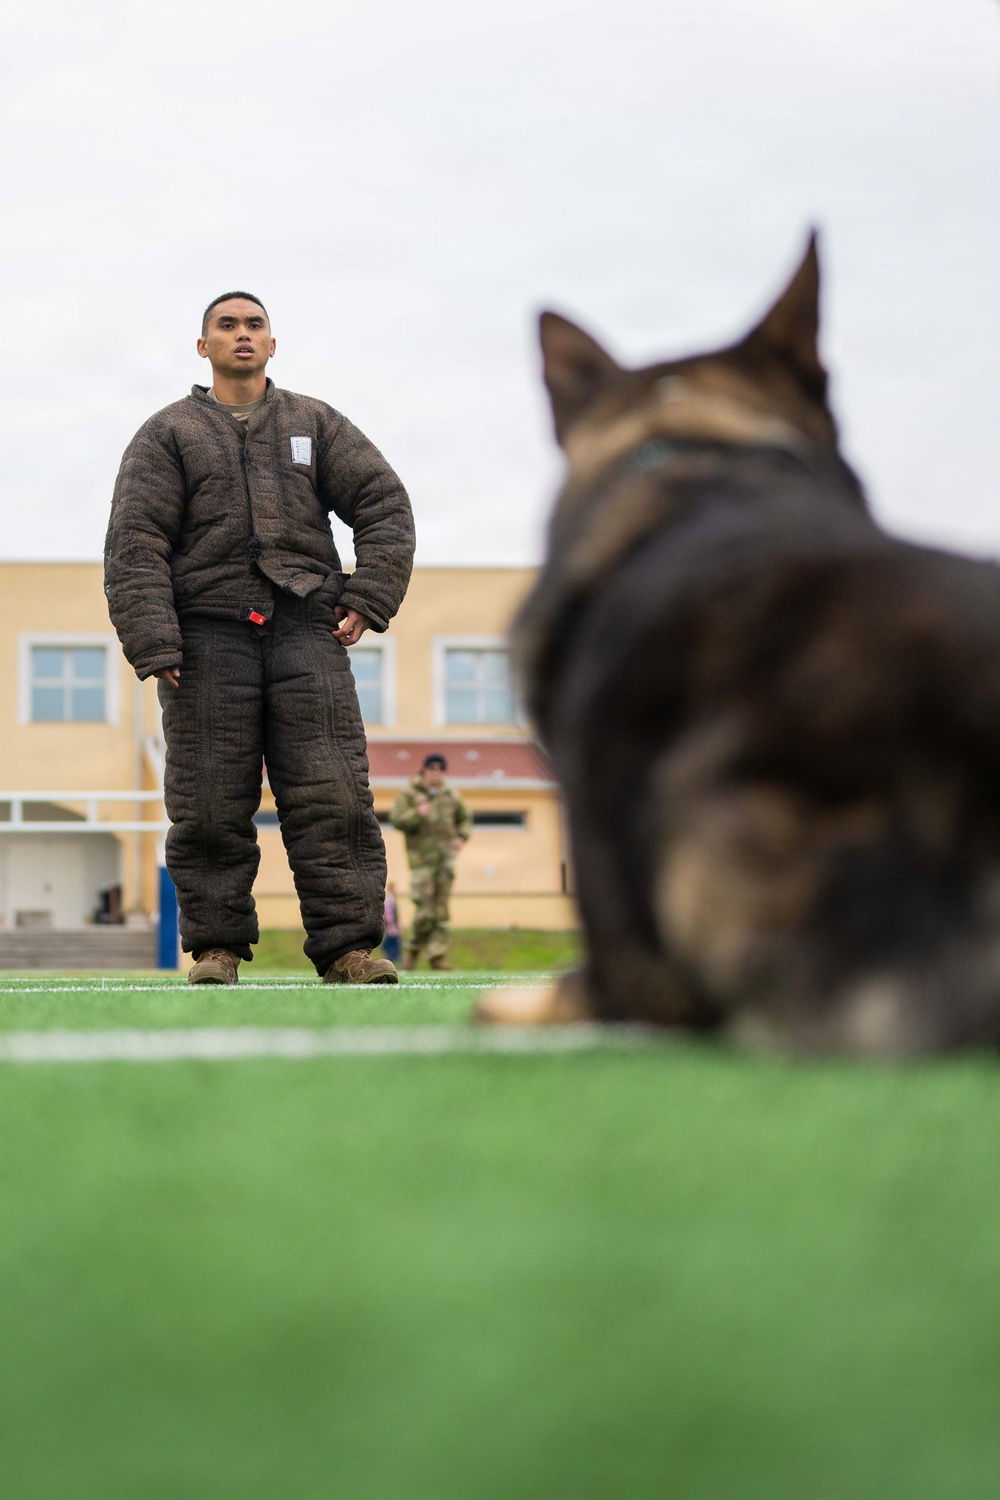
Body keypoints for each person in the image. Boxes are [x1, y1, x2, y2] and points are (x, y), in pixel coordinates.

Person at [104, 292, 414, 985]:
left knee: (334, 794)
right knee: (208, 801)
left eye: (254, 326)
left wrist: (369, 595)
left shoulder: (315, 424)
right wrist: (156, 643)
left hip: (307, 628)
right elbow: (135, 545)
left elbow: (383, 505)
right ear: (203, 346)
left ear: (272, 345)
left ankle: (349, 951)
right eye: (227, 326)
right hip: (208, 638)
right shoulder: (169, 434)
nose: (242, 335)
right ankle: (215, 950)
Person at [390, 754, 472, 970]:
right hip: (421, 861)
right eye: (432, 767)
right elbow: (396, 819)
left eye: (440, 768)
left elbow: (465, 818)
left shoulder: (451, 795)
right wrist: (416, 813)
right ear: (424, 769)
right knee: (425, 911)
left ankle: (437, 957)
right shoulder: (410, 793)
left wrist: (461, 837)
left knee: (441, 912)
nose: (436, 772)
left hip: (445, 861)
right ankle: (412, 952)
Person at [381, 883, 402, 964]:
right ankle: (391, 959)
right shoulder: (389, 899)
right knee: (391, 943)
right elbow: (389, 914)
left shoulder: (392, 899)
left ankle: (394, 959)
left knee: (394, 943)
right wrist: (390, 925)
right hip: (391, 926)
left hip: (393, 926)